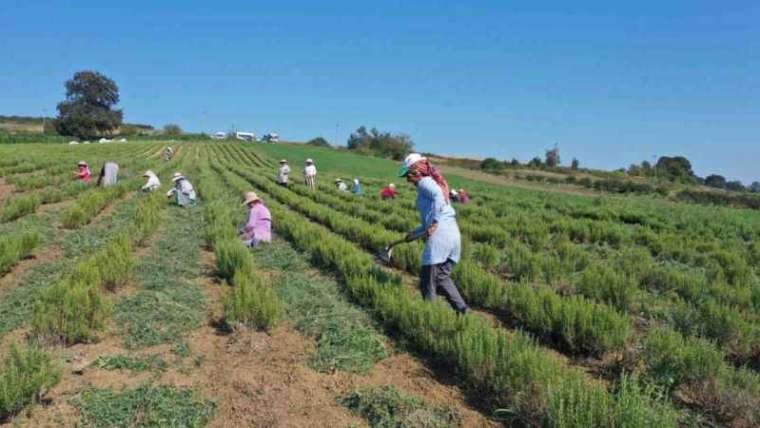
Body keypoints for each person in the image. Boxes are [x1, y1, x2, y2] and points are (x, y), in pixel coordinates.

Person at [399, 153, 468, 314]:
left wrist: (435, 222)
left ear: (417, 171)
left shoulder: (424, 183)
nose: (407, 180)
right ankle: (463, 310)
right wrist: (414, 233)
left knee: (427, 280)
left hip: (441, 237)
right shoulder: (432, 184)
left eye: (408, 176)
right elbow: (430, 221)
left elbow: (437, 204)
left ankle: (431, 317)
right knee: (442, 277)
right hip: (453, 235)